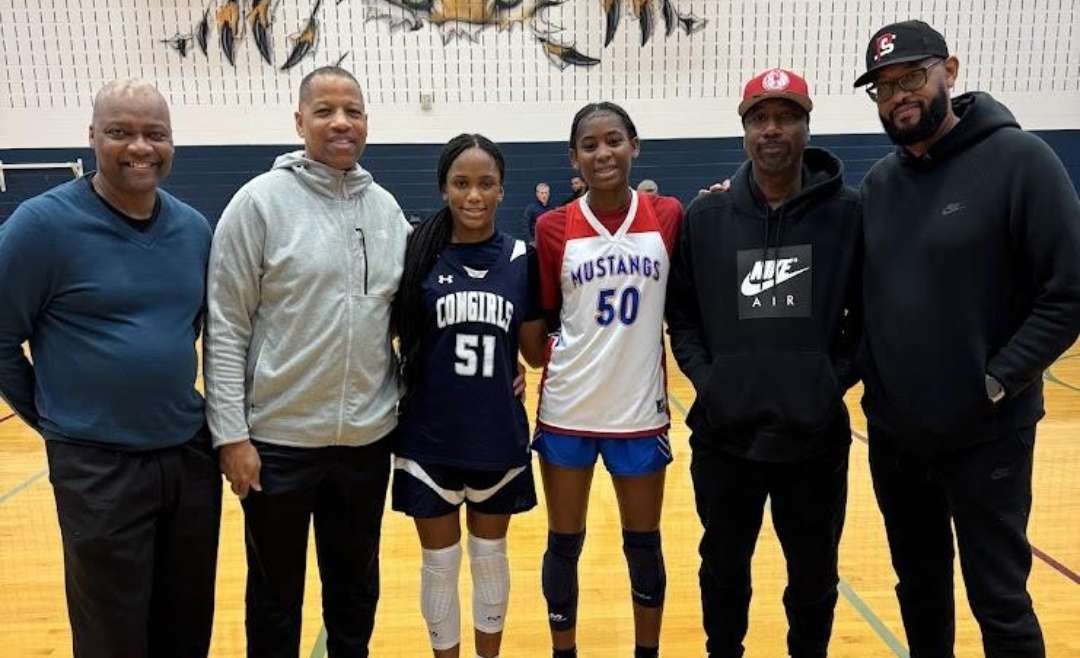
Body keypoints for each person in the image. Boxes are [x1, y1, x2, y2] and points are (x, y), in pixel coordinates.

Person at [854, 20, 1080, 658]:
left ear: (949, 71)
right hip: (897, 442)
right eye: (883, 88)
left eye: (911, 78)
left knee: (1000, 599)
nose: (898, 95)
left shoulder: (1021, 161)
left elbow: (1069, 292)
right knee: (920, 594)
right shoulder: (879, 186)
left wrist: (999, 378)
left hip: (988, 436)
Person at [0, 80, 221, 658]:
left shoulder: (195, 230)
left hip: (185, 456)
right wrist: (53, 417)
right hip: (97, 467)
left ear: (173, 143)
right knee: (111, 635)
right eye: (121, 132)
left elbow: (195, 333)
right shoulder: (39, 227)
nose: (140, 147)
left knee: (187, 623)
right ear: (92, 138)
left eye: (155, 134)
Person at [204, 65, 411, 657]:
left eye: (353, 110)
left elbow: (404, 318)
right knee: (274, 601)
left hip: (366, 443)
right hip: (277, 444)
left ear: (366, 122)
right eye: (324, 110)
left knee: (355, 593)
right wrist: (231, 435)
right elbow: (226, 326)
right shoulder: (258, 205)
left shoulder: (386, 210)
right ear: (300, 121)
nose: (340, 121)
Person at [666, 68, 862, 658]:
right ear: (744, 130)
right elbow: (685, 318)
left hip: (814, 438)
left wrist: (830, 382)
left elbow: (867, 317)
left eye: (786, 117)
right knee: (723, 570)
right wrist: (712, 381)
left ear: (806, 125)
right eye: (760, 119)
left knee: (813, 577)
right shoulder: (706, 219)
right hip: (727, 438)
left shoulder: (849, 214)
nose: (772, 130)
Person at [533, 102, 683, 658]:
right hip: (568, 411)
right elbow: (547, 316)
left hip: (639, 414)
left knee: (642, 545)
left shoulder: (669, 215)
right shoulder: (553, 227)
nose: (603, 153)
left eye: (614, 140)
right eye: (590, 145)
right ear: (574, 157)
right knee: (564, 544)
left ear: (635, 145)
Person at [392, 133, 548, 658]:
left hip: (495, 433)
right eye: (462, 183)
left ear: (503, 190)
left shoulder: (523, 258)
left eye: (486, 184)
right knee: (439, 565)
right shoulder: (417, 256)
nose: (474, 195)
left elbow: (533, 355)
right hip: (428, 436)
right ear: (444, 189)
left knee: (490, 559)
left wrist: (517, 367)